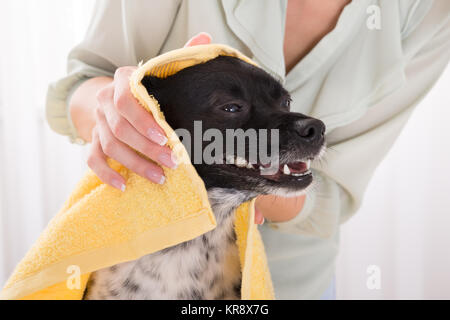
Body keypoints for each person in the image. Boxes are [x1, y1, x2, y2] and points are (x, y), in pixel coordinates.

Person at [46, 0, 450, 299]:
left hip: (284, 284)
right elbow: (80, 85)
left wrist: (245, 175)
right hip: (130, 267)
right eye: (233, 107)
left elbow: (329, 201)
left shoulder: (429, 13)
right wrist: (116, 115)